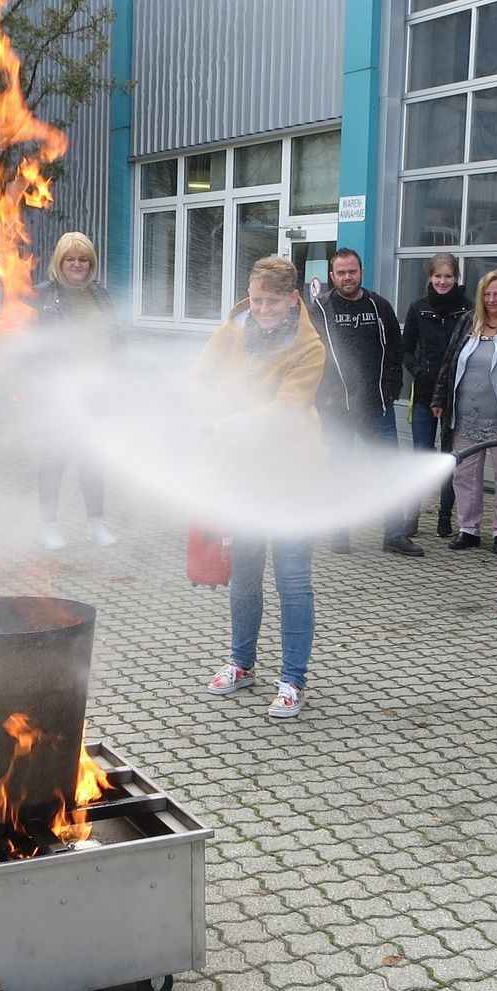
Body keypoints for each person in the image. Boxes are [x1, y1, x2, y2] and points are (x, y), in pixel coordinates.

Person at [193, 255, 326, 721]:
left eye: (273, 301)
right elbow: (201, 377)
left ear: (293, 299)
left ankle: (292, 680)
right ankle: (241, 663)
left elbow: (290, 407)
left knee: (292, 580)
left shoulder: (309, 346)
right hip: (245, 475)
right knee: (245, 573)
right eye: (256, 298)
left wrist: (235, 423)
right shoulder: (232, 330)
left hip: (294, 476)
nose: (263, 308)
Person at [307, 248, 419, 556]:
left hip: (375, 406)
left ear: (362, 272)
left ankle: (394, 534)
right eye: (341, 273)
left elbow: (396, 350)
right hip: (337, 409)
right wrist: (320, 398)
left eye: (352, 271)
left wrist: (392, 389)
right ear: (332, 276)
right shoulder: (320, 308)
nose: (347, 277)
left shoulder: (378, 306)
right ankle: (339, 533)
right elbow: (309, 355)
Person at [30, 231, 121, 551]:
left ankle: (96, 524)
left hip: (97, 392)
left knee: (93, 460)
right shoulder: (42, 297)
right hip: (59, 394)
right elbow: (31, 349)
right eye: (71, 259)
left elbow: (115, 341)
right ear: (60, 262)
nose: (78, 265)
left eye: (84, 259)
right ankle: (49, 526)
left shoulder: (101, 295)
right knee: (54, 460)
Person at [433, 270, 497, 555]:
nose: (492, 299)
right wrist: (440, 397)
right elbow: (449, 362)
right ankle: (469, 529)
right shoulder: (468, 322)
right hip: (465, 416)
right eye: (487, 294)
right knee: (464, 475)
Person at [399, 252, 470, 538]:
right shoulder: (418, 308)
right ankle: (412, 515)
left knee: (450, 457)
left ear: (456, 278)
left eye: (449, 276)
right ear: (430, 277)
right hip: (425, 395)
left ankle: (444, 516)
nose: (443, 281)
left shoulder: (468, 310)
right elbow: (404, 348)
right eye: (438, 276)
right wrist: (419, 371)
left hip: (457, 395)